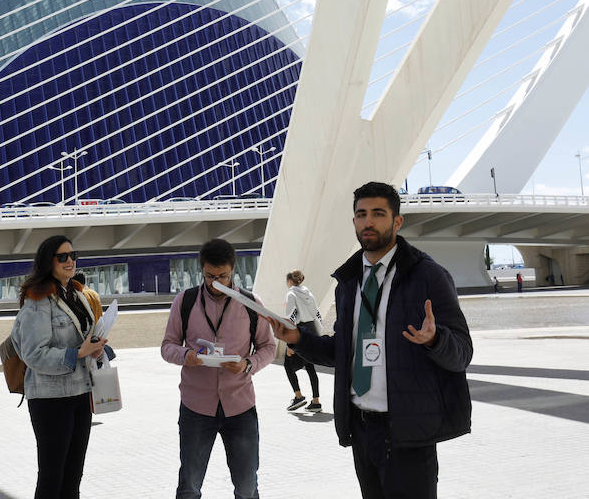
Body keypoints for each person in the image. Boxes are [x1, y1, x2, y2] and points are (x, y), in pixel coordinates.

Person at [269, 182, 472, 499]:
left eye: (378, 213)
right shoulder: (349, 282)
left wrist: (436, 339)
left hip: (408, 433)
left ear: (397, 221)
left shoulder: (429, 276)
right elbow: (343, 352)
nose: (368, 221)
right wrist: (298, 338)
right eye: (361, 214)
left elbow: (462, 354)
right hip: (362, 429)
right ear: (353, 222)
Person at [161, 238, 276, 499]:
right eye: (210, 276)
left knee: (247, 487)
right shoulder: (185, 301)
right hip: (196, 408)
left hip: (240, 407)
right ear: (201, 269)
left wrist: (249, 364)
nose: (216, 283)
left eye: (223, 276)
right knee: (189, 485)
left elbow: (269, 347)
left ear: (232, 270)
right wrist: (185, 355)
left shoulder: (251, 303)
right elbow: (167, 346)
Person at [11, 235, 110, 499]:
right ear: (48, 262)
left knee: (73, 475)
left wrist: (95, 347)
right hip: (50, 399)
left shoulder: (77, 294)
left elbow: (83, 338)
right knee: (52, 476)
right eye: (62, 257)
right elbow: (33, 353)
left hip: (80, 392)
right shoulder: (38, 300)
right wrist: (77, 353)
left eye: (73, 255)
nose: (70, 261)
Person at [283, 270, 321, 413]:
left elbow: (290, 319)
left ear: (290, 281)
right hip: (311, 331)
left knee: (287, 365)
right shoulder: (309, 294)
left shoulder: (291, 294)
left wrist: (289, 343)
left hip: (299, 333)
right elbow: (317, 314)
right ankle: (316, 401)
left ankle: (298, 396)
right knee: (310, 367)